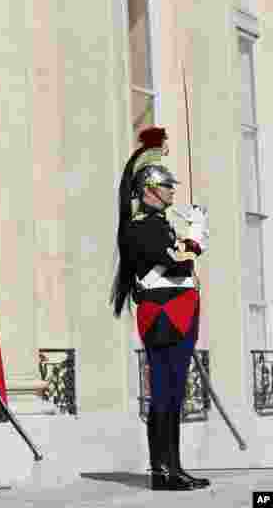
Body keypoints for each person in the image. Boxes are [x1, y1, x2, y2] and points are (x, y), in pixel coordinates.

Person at [111, 127, 210, 491]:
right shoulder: (141, 228)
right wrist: (196, 238)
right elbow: (176, 263)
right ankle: (163, 470)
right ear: (150, 189)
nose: (172, 191)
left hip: (179, 312)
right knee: (166, 391)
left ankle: (173, 467)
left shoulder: (161, 226)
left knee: (174, 393)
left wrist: (190, 239)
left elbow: (178, 256)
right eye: (167, 186)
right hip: (165, 314)